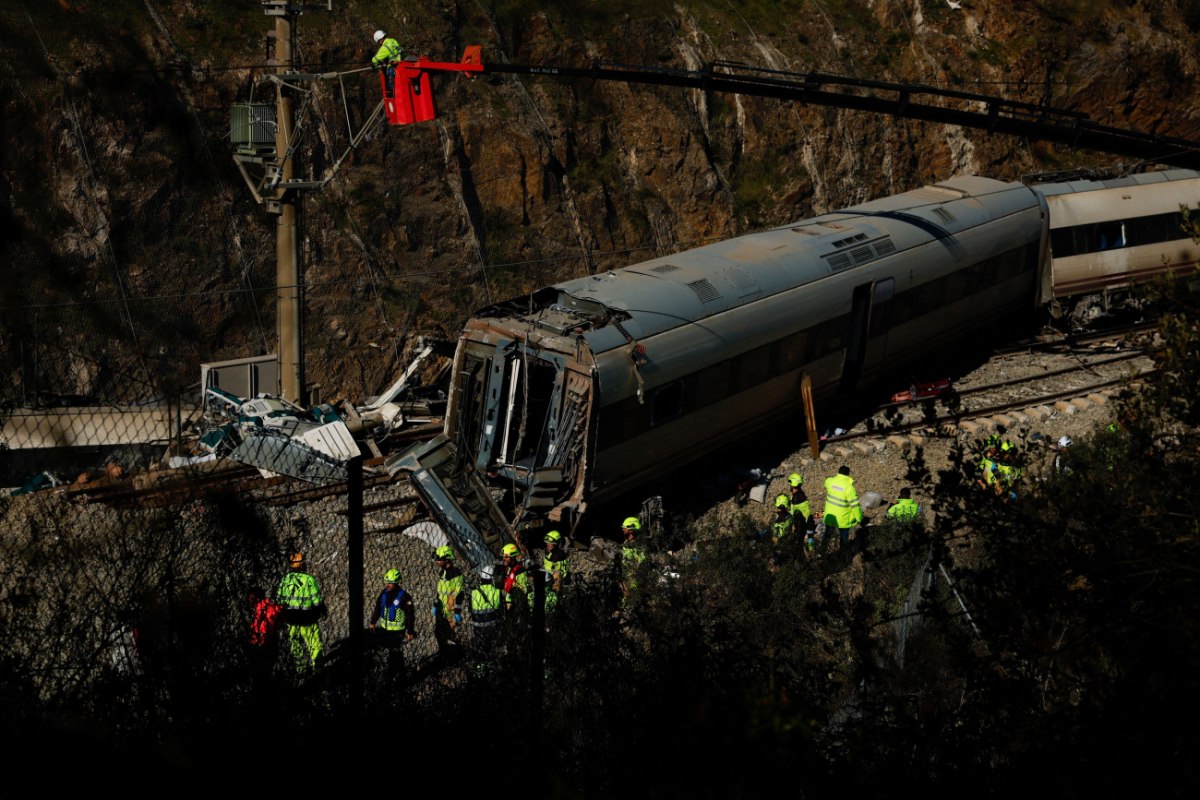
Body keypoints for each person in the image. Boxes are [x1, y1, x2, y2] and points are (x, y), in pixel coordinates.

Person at [275, 552, 325, 675]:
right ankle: (318, 670)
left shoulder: (285, 580)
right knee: (314, 645)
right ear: (302, 564)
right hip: (307, 620)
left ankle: (300, 670)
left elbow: (279, 601)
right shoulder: (308, 580)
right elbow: (317, 601)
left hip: (291, 621)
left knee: (296, 646)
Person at [369, 568, 415, 676]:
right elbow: (377, 608)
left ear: (397, 582)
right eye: (387, 582)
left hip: (397, 631)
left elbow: (410, 615)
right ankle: (398, 673)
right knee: (392, 653)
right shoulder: (383, 594)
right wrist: (373, 622)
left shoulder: (404, 596)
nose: (388, 585)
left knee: (395, 653)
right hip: (384, 629)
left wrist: (410, 631)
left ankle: (394, 673)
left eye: (391, 583)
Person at [467, 563, 504, 661]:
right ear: (492, 579)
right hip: (493, 626)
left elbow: (470, 609)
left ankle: (481, 667)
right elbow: (502, 610)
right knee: (492, 648)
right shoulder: (497, 592)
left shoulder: (473, 593)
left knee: (481, 649)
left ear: (481, 577)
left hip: (478, 627)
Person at [432, 545, 464, 656]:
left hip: (450, 610)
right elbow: (440, 591)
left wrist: (457, 611)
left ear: (447, 559)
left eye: (439, 559)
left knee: (450, 635)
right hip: (441, 608)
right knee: (439, 633)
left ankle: (455, 655)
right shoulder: (443, 573)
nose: (436, 561)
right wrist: (436, 604)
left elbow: (459, 594)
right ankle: (444, 654)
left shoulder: (456, 574)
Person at [822, 466, 863, 549]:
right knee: (844, 537)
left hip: (830, 516)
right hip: (843, 518)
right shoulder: (849, 488)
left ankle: (821, 551)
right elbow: (855, 506)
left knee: (827, 535)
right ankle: (842, 554)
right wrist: (859, 518)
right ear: (848, 474)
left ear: (838, 472)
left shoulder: (830, 482)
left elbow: (826, 482)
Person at [618, 516, 647, 606]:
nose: (623, 529)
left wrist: (633, 575)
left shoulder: (637, 545)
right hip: (625, 575)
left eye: (625, 527)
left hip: (631, 577)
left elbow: (641, 561)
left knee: (629, 599)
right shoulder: (627, 541)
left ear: (631, 530)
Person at [371, 29, 405, 97]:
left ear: (379, 41)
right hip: (402, 63)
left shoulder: (384, 48)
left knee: (391, 85)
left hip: (394, 67)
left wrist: (373, 64)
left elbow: (375, 60)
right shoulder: (393, 40)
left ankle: (393, 94)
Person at [542, 530, 569, 614]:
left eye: (551, 543)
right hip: (549, 576)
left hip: (554, 579)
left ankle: (550, 614)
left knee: (553, 596)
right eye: (547, 542)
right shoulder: (549, 552)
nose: (548, 545)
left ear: (556, 544)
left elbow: (561, 572)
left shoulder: (558, 555)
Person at [501, 542, 528, 615]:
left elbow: (523, 590)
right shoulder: (509, 569)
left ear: (512, 557)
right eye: (503, 557)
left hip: (517, 605)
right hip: (509, 603)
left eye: (506, 557)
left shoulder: (519, 570)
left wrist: (518, 609)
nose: (504, 559)